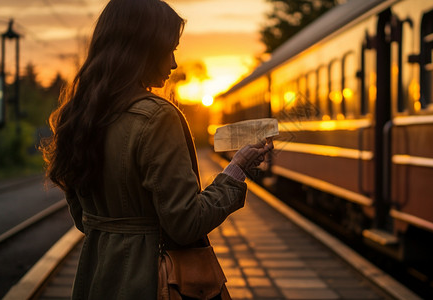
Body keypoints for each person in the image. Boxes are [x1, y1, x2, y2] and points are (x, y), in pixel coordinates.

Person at [40, 0, 273, 299]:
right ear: (145, 50)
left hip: (96, 281)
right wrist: (235, 170)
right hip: (152, 284)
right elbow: (186, 224)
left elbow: (82, 219)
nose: (174, 63)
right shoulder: (157, 117)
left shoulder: (78, 116)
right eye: (170, 49)